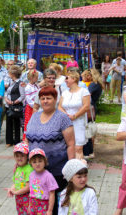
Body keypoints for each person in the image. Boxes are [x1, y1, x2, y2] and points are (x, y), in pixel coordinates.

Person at [26, 86, 75, 215]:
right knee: (39, 202)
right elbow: (27, 140)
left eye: (49, 98)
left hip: (57, 171)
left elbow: (71, 144)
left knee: (54, 207)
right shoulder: (35, 116)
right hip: (36, 170)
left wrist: (71, 170)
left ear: (55, 99)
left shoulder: (62, 118)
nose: (45, 101)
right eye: (42, 98)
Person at [59, 71, 90, 159]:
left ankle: (80, 169)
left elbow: (86, 106)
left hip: (79, 122)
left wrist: (75, 116)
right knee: (68, 146)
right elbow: (59, 106)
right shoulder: (65, 92)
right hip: (66, 123)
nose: (65, 80)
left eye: (67, 78)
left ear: (74, 79)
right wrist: (67, 116)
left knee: (78, 148)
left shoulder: (83, 91)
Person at [28, 148, 59, 215]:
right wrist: (30, 205)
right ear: (31, 163)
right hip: (33, 203)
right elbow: (31, 190)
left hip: (43, 204)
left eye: (40, 161)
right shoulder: (31, 175)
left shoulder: (48, 176)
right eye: (34, 162)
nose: (37, 164)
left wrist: (50, 210)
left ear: (45, 161)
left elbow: (52, 194)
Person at [6, 142, 33, 214]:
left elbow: (28, 187)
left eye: (22, 156)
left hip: (27, 198)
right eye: (17, 156)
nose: (19, 158)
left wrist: (16, 192)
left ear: (27, 156)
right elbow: (15, 183)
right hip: (18, 198)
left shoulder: (29, 169)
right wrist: (11, 189)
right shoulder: (17, 168)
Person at [84, 69, 103, 159]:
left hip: (90, 108)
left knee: (89, 129)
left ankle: (91, 150)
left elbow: (87, 95)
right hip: (93, 107)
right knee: (90, 129)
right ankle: (91, 150)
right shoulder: (97, 84)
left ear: (90, 76)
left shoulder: (93, 84)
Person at [5, 65, 25, 147]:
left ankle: (16, 141)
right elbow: (7, 92)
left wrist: (14, 102)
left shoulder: (20, 83)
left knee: (16, 124)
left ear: (13, 74)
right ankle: (9, 141)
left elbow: (22, 95)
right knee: (8, 123)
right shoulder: (11, 82)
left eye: (10, 72)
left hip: (15, 106)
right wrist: (6, 99)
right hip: (8, 105)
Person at [24, 69, 39, 139]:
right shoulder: (28, 87)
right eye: (36, 77)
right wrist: (35, 105)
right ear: (31, 78)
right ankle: (27, 138)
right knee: (29, 122)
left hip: (36, 107)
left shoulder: (36, 86)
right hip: (31, 108)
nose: (37, 78)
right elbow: (29, 100)